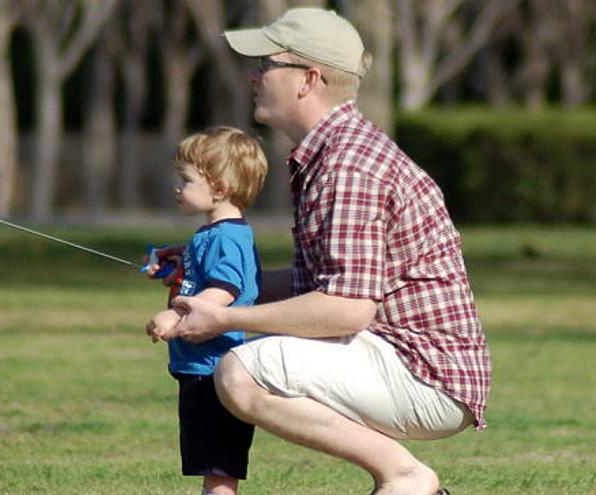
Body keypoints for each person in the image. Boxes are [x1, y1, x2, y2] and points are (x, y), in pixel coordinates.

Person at [161, 8, 492, 495]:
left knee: (240, 372)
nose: (255, 76)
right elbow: (322, 286)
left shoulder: (347, 165)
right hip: (405, 359)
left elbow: (347, 308)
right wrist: (207, 278)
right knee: (246, 363)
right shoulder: (333, 152)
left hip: (424, 373)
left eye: (268, 65)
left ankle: (405, 475)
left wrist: (225, 321)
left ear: (307, 79)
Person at [144, 126, 268, 495]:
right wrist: (179, 267)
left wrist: (177, 318)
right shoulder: (213, 234)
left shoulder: (226, 238)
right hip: (199, 369)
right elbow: (206, 277)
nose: (177, 187)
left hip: (214, 371)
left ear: (221, 187)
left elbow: (224, 291)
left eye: (186, 179)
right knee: (212, 466)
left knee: (219, 470)